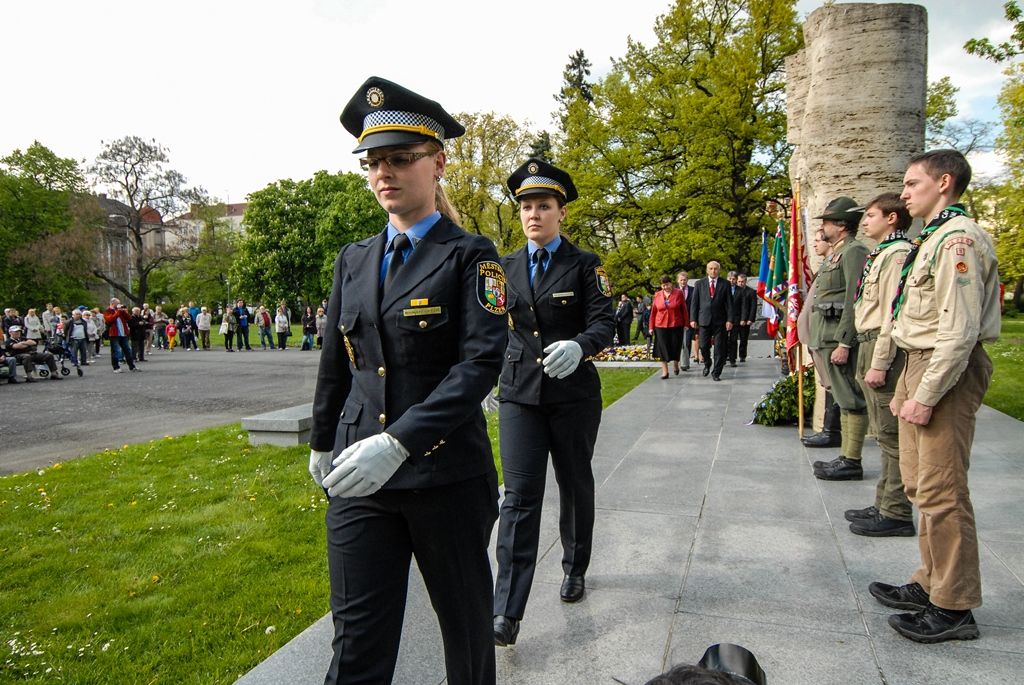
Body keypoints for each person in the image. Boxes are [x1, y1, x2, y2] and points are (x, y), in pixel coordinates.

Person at [307, 76, 507, 685]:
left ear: (437, 162)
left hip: (444, 475)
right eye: (372, 162)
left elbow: (479, 365)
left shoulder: (472, 256)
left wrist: (400, 442)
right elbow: (337, 359)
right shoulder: (354, 257)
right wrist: (322, 439)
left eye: (399, 158)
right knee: (356, 642)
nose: (383, 173)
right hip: (359, 474)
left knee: (466, 634)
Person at [870, 149, 1000, 643]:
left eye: (911, 184)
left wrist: (925, 393)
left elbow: (959, 330)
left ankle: (954, 605)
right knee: (920, 486)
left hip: (944, 369)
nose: (903, 194)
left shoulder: (957, 239)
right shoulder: (932, 238)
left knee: (943, 492)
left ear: (944, 182)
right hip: (917, 361)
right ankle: (930, 581)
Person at [492, 158, 615, 647]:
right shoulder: (502, 267)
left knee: (574, 482)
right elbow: (488, 328)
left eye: (543, 206)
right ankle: (506, 610)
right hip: (520, 394)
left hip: (572, 396)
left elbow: (604, 322)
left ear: (561, 212)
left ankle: (574, 565)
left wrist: (581, 346)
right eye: (526, 206)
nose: (533, 214)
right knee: (519, 497)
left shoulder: (585, 265)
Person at [845, 193, 915, 537]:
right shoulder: (882, 253)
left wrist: (881, 361)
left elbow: (892, 313)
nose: (865, 221)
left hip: (881, 345)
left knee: (891, 434)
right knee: (883, 432)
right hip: (869, 340)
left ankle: (897, 511)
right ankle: (884, 501)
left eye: (871, 215)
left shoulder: (897, 254)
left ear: (891, 218)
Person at [808, 197, 869, 481]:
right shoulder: (837, 253)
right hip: (827, 336)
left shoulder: (854, 252)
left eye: (827, 222)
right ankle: (846, 455)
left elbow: (853, 300)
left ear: (842, 225)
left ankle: (852, 461)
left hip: (838, 339)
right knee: (843, 399)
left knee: (850, 399)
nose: (822, 227)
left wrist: (845, 342)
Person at [800, 230, 842, 448]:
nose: (815, 244)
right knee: (828, 384)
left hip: (830, 335)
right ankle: (829, 429)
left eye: (818, 240)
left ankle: (832, 431)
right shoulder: (825, 266)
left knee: (834, 385)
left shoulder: (840, 262)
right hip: (818, 334)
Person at [689, 261, 734, 381]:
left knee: (719, 348)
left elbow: (729, 303)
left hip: (720, 321)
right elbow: (694, 303)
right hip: (704, 320)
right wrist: (693, 318)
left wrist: (730, 320)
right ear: (707, 270)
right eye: (711, 268)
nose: (713, 271)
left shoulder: (725, 284)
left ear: (719, 270)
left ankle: (716, 372)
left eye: (715, 269)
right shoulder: (699, 284)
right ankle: (707, 363)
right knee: (703, 346)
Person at [649, 275, 690, 379]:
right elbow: (653, 312)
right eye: (663, 285)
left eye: (667, 285)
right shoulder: (657, 295)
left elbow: (684, 309)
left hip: (676, 324)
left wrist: (686, 323)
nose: (666, 287)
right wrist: (651, 327)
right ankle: (665, 371)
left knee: (675, 346)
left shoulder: (678, 293)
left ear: (671, 283)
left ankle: (676, 363)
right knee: (662, 347)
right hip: (660, 325)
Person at [103, 299, 138, 373]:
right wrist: (118, 312)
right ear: (113, 303)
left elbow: (129, 318)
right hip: (114, 334)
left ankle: (132, 367)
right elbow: (110, 319)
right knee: (116, 351)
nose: (119, 305)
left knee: (127, 350)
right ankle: (116, 367)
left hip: (123, 333)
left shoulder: (120, 311)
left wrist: (123, 311)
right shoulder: (107, 311)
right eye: (118, 303)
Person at [730, 274, 757, 364]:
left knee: (743, 339)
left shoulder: (751, 292)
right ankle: (731, 356)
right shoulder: (733, 290)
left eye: (742, 282)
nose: (740, 283)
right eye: (739, 281)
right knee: (732, 339)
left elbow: (753, 307)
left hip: (746, 320)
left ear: (746, 281)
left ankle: (742, 355)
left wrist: (750, 319)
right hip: (734, 319)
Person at [676, 271, 696, 369]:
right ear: (678, 281)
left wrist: (694, 319)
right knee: (678, 342)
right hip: (677, 321)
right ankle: (680, 361)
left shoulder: (693, 290)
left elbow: (695, 305)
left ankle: (686, 363)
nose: (683, 282)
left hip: (689, 320)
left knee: (687, 341)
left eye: (684, 280)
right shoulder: (674, 291)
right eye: (681, 280)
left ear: (687, 280)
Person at [64, 309, 89, 376]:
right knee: (74, 351)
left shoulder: (83, 321)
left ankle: (83, 361)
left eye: (79, 314)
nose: (78, 315)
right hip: (74, 339)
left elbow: (85, 329)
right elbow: (65, 330)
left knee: (83, 350)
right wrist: (68, 337)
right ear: (73, 315)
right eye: (76, 314)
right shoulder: (69, 322)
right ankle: (74, 362)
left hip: (83, 338)